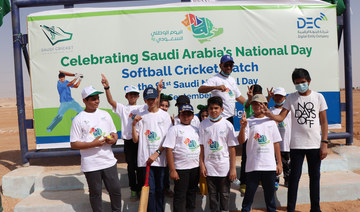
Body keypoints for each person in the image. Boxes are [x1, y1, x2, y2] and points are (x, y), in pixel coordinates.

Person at [264, 68, 328, 212]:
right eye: (297, 83)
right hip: (296, 145)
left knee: (315, 177)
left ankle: (315, 208)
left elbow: (324, 122)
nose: (300, 85)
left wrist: (324, 143)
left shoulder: (318, 97)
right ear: (293, 83)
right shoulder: (291, 98)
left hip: (315, 144)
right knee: (294, 178)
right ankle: (291, 208)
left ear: (309, 81)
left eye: (303, 82)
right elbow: (280, 117)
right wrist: (269, 114)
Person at [70, 86, 121, 212]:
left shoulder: (105, 114)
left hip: (108, 161)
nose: (97, 101)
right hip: (91, 164)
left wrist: (113, 140)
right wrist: (93, 144)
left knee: (115, 190)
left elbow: (114, 133)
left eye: (98, 98)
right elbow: (74, 144)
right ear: (84, 101)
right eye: (93, 99)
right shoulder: (78, 119)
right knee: (95, 193)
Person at [101, 74, 145, 201]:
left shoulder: (142, 107)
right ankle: (133, 189)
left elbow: (155, 104)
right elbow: (111, 101)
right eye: (130, 94)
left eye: (135, 94)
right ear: (126, 96)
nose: (133, 96)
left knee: (141, 166)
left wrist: (158, 91)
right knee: (131, 167)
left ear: (138, 96)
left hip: (141, 141)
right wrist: (107, 87)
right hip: (129, 142)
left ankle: (142, 189)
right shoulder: (122, 108)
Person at [238, 94, 282, 212]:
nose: (256, 106)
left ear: (265, 105)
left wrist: (279, 163)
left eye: (259, 104)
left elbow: (276, 143)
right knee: (248, 196)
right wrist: (242, 127)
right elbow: (241, 140)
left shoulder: (271, 122)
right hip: (253, 165)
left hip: (269, 165)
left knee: (270, 197)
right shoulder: (248, 121)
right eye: (254, 104)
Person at [132, 87, 172, 212]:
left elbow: (168, 139)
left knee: (160, 190)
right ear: (144, 100)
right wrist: (133, 125)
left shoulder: (165, 116)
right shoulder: (141, 116)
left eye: (153, 98)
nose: (151, 101)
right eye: (148, 99)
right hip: (145, 161)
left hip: (160, 160)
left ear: (157, 99)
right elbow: (135, 140)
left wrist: (157, 153)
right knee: (150, 191)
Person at [199, 96, 238, 212]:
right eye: (211, 108)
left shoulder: (227, 125)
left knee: (225, 194)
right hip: (209, 167)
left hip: (224, 167)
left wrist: (233, 169)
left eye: (216, 108)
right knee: (212, 195)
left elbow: (232, 148)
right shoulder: (203, 125)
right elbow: (201, 147)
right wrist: (202, 165)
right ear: (208, 109)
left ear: (222, 109)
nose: (213, 111)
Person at [163, 104, 200, 212]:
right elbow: (169, 150)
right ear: (179, 115)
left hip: (195, 168)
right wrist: (172, 170)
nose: (186, 117)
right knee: (180, 196)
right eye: (183, 114)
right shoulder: (174, 129)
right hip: (180, 169)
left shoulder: (196, 129)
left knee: (192, 193)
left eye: (189, 114)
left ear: (193, 116)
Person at [198, 55, 246, 124]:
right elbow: (200, 89)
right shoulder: (214, 79)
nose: (229, 67)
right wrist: (216, 87)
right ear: (220, 66)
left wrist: (251, 104)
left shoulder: (232, 79)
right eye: (226, 65)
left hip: (230, 117)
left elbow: (238, 97)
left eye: (231, 65)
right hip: (220, 118)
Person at [239, 84, 263, 194]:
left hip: (260, 134)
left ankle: (261, 179)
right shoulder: (248, 104)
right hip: (249, 134)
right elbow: (248, 103)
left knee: (260, 156)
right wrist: (249, 99)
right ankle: (243, 182)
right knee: (246, 158)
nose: (256, 99)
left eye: (258, 96)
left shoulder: (263, 103)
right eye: (254, 96)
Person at [269, 87, 292, 187]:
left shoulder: (290, 110)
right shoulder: (271, 111)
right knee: (275, 162)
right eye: (276, 96)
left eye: (281, 96)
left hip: (288, 142)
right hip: (275, 143)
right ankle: (275, 180)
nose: (278, 98)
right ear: (273, 97)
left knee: (288, 163)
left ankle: (287, 180)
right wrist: (268, 98)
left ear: (285, 97)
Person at [158, 93, 175, 197]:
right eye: (162, 105)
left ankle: (166, 188)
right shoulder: (153, 115)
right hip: (156, 149)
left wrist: (173, 124)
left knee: (166, 169)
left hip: (166, 148)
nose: (164, 108)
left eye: (166, 106)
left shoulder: (169, 118)